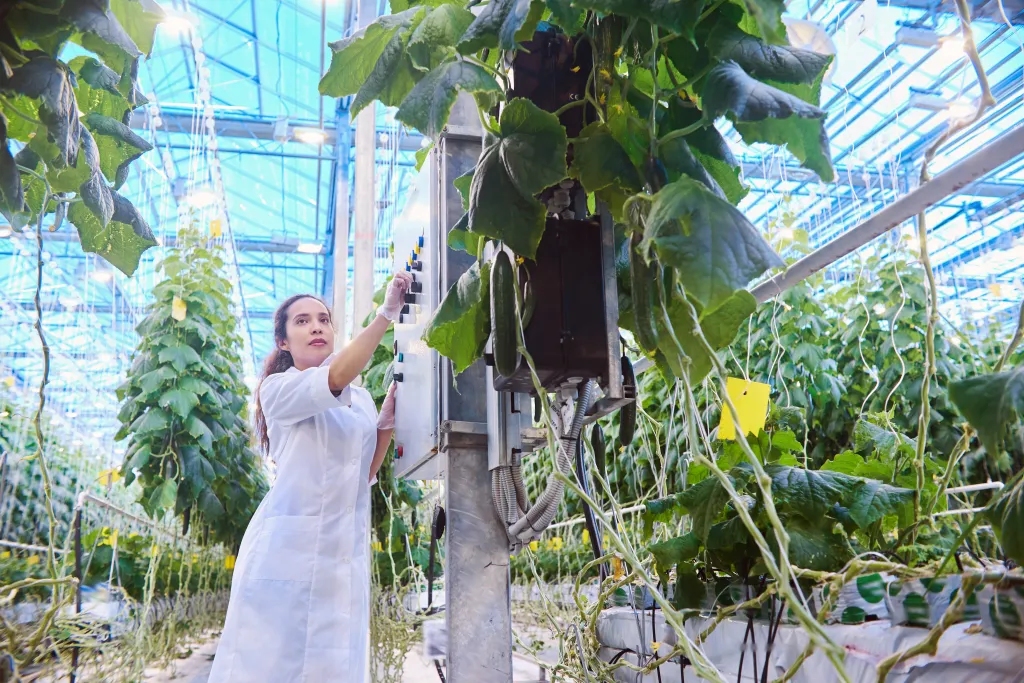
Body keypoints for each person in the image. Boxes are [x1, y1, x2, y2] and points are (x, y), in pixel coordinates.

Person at [207, 271, 412, 683]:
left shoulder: (359, 403)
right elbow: (334, 378)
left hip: (342, 558)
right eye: (301, 321)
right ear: (283, 342)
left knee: (333, 667)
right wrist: (386, 314)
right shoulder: (278, 388)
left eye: (323, 319)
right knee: (271, 668)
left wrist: (385, 424)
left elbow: (364, 474)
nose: (316, 326)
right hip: (287, 554)